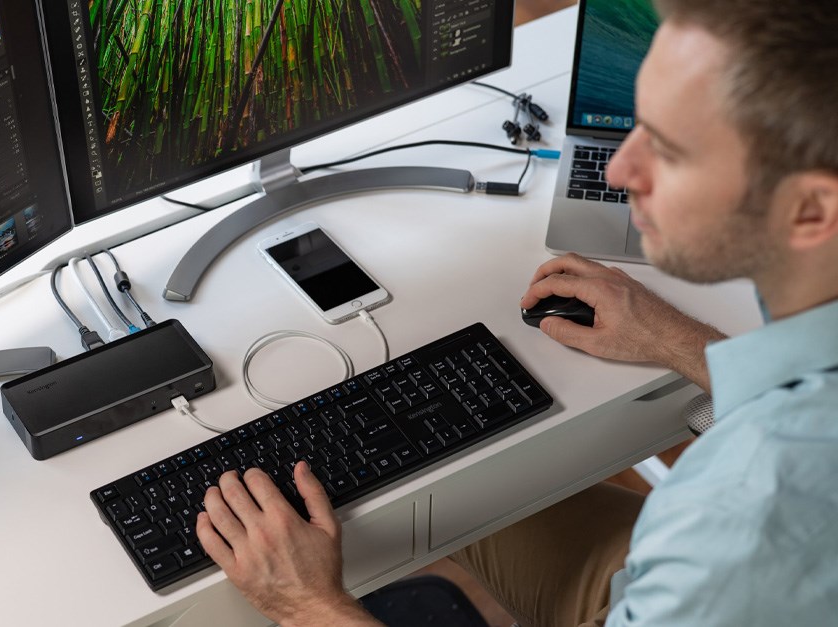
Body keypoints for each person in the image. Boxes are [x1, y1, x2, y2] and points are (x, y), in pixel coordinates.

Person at [195, 0, 838, 624]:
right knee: (445, 479)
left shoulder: (748, 521)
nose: (617, 169)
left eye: (670, 151)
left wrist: (308, 606)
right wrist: (674, 341)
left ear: (811, 210)